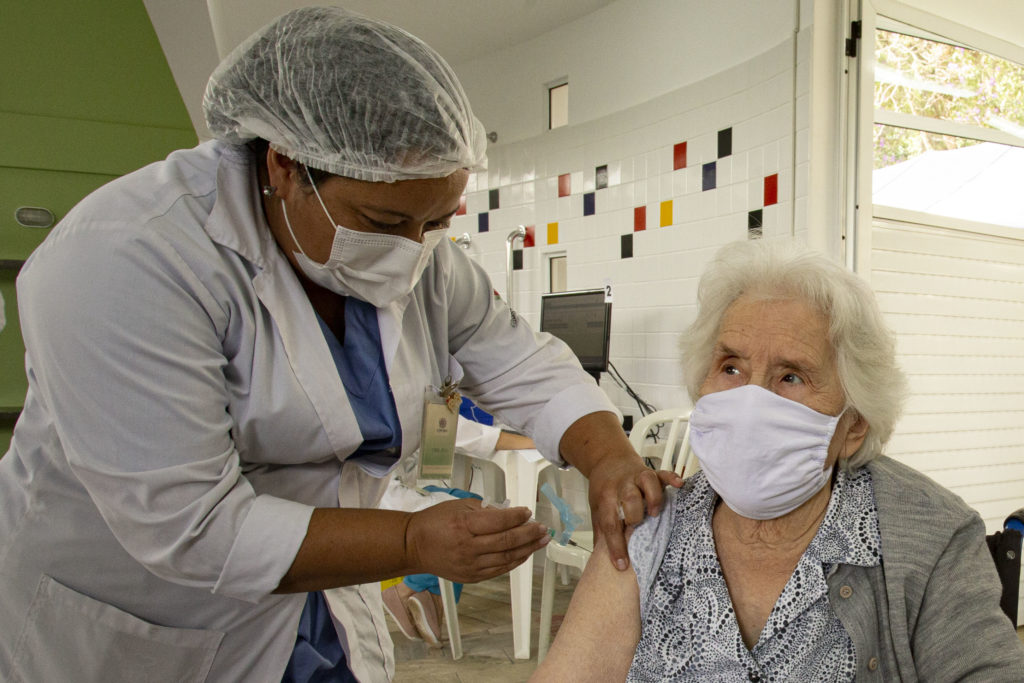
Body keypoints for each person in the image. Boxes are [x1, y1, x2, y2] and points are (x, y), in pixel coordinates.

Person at [0, 7, 676, 682]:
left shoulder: (424, 263)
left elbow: (524, 363)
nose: (412, 250)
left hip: (309, 613)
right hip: (141, 623)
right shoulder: (127, 260)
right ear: (286, 166)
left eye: (436, 221)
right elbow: (195, 528)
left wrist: (610, 460)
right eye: (383, 221)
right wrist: (412, 540)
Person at [533, 240, 1024, 681]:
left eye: (791, 377)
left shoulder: (928, 536)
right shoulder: (649, 527)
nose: (751, 402)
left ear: (852, 426)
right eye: (730, 367)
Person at [378, 416, 535, 648]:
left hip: (404, 486)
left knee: (473, 502)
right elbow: (451, 429)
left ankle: (431, 597)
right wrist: (536, 442)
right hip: (384, 495)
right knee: (473, 521)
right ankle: (406, 590)